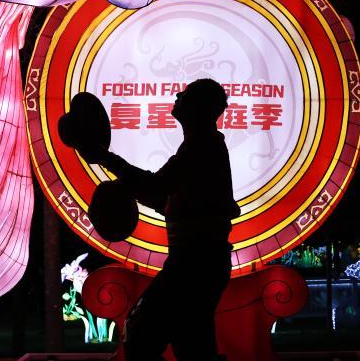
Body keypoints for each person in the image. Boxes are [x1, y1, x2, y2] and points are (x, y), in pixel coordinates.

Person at [78, 78, 239, 361]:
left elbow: (155, 188)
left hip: (193, 266)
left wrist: (106, 159)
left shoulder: (201, 147)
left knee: (142, 332)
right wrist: (124, 182)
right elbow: (164, 197)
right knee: (191, 347)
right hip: (199, 264)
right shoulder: (200, 147)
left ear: (199, 107)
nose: (178, 95)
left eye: (186, 94)